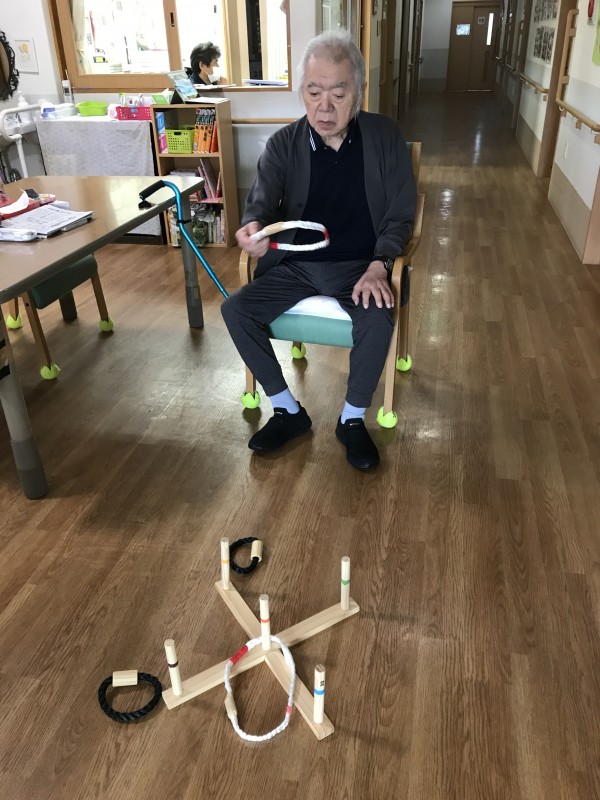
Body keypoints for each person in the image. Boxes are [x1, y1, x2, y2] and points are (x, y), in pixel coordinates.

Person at [221, 30, 416, 471]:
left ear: (358, 92)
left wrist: (380, 264)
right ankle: (287, 409)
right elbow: (260, 206)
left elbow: (401, 213)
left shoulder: (385, 136)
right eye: (313, 92)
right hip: (297, 266)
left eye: (338, 94)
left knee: (378, 315)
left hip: (361, 266)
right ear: (302, 93)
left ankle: (351, 420)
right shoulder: (283, 144)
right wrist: (253, 230)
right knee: (236, 310)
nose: (324, 108)